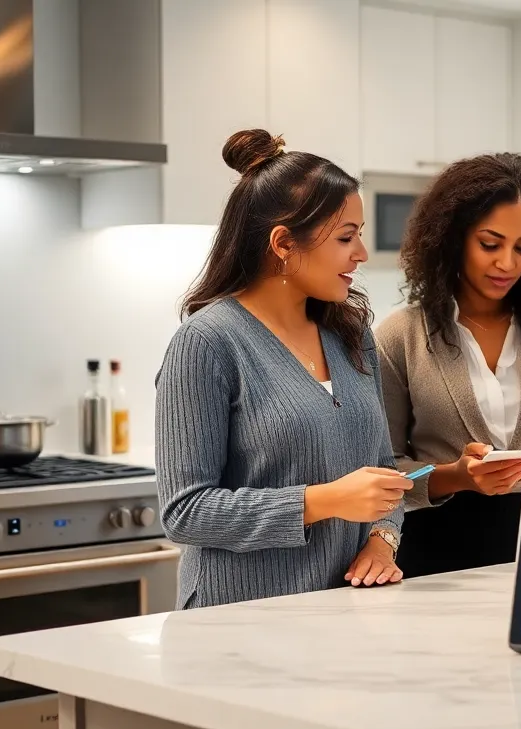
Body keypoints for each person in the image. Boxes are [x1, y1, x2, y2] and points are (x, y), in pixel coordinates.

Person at [155, 129, 411, 609]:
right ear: (283, 243)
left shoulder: (351, 334)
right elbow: (185, 512)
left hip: (345, 613)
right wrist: (324, 501)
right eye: (346, 237)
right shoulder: (207, 344)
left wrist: (382, 541)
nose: (360, 253)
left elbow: (383, 474)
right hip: (239, 620)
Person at [376, 152, 521, 577]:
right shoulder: (400, 336)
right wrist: (456, 476)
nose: (507, 263)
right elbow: (384, 467)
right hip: (438, 556)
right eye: (490, 244)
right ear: (453, 238)